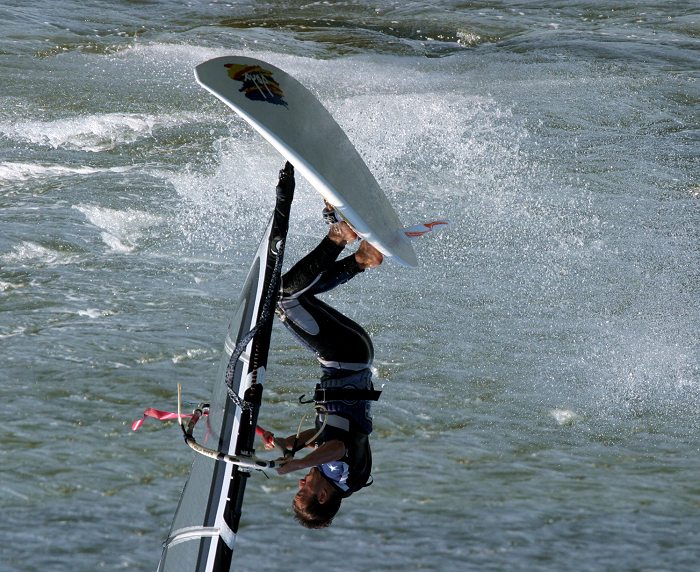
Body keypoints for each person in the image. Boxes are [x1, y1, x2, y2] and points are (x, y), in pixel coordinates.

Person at [261, 164, 383, 529]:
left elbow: (329, 434)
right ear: (322, 496)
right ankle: (339, 237)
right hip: (343, 357)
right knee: (284, 299)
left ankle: (363, 260)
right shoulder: (340, 473)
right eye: (303, 490)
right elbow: (337, 448)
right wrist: (300, 462)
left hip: (354, 355)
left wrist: (294, 442)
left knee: (300, 294)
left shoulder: (337, 476)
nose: (300, 483)